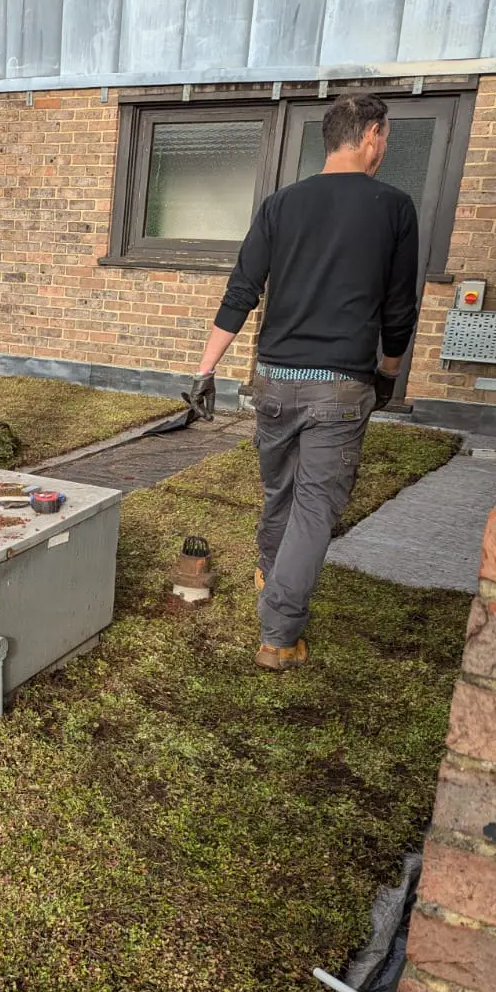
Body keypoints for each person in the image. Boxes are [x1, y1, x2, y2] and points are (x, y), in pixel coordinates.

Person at [189, 93, 419, 672]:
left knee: (281, 493)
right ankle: (279, 635)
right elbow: (399, 310)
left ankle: (272, 573)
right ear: (371, 135)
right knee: (314, 508)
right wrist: (389, 374)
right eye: (385, 137)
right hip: (339, 388)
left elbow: (241, 291)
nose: (384, 147)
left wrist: (204, 370)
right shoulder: (394, 208)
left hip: (273, 383)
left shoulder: (281, 204)